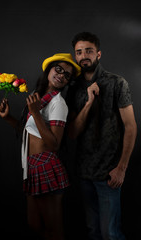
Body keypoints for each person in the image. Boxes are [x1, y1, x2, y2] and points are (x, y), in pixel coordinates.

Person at [0, 53, 81, 240]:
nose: (61, 75)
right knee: (34, 224)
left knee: (54, 230)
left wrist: (35, 113)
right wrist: (8, 118)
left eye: (66, 75)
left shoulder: (58, 103)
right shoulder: (39, 97)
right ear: (49, 69)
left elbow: (54, 144)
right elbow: (30, 131)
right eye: (58, 69)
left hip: (46, 165)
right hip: (32, 166)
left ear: (67, 82)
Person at [66, 32, 137, 240]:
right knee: (93, 232)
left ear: (98, 54)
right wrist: (88, 103)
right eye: (79, 52)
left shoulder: (117, 83)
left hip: (109, 174)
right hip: (84, 173)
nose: (83, 56)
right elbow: (72, 133)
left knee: (111, 234)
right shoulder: (73, 88)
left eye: (88, 50)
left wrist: (121, 168)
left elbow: (131, 126)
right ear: (75, 56)